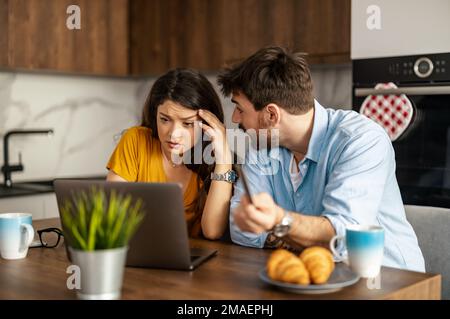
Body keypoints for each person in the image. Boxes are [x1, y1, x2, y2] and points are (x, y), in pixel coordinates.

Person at [218, 46, 425, 272]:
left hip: (391, 279)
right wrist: (303, 235)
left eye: (239, 108)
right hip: (322, 277)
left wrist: (279, 221)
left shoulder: (360, 140)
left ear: (271, 115)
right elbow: (242, 230)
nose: (235, 117)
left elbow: (344, 237)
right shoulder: (263, 147)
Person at [106, 68, 235, 240]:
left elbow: (212, 231)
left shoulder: (214, 159)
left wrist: (224, 159)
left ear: (207, 124)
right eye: (165, 120)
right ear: (155, 114)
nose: (173, 134)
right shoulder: (135, 140)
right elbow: (111, 214)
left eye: (187, 124)